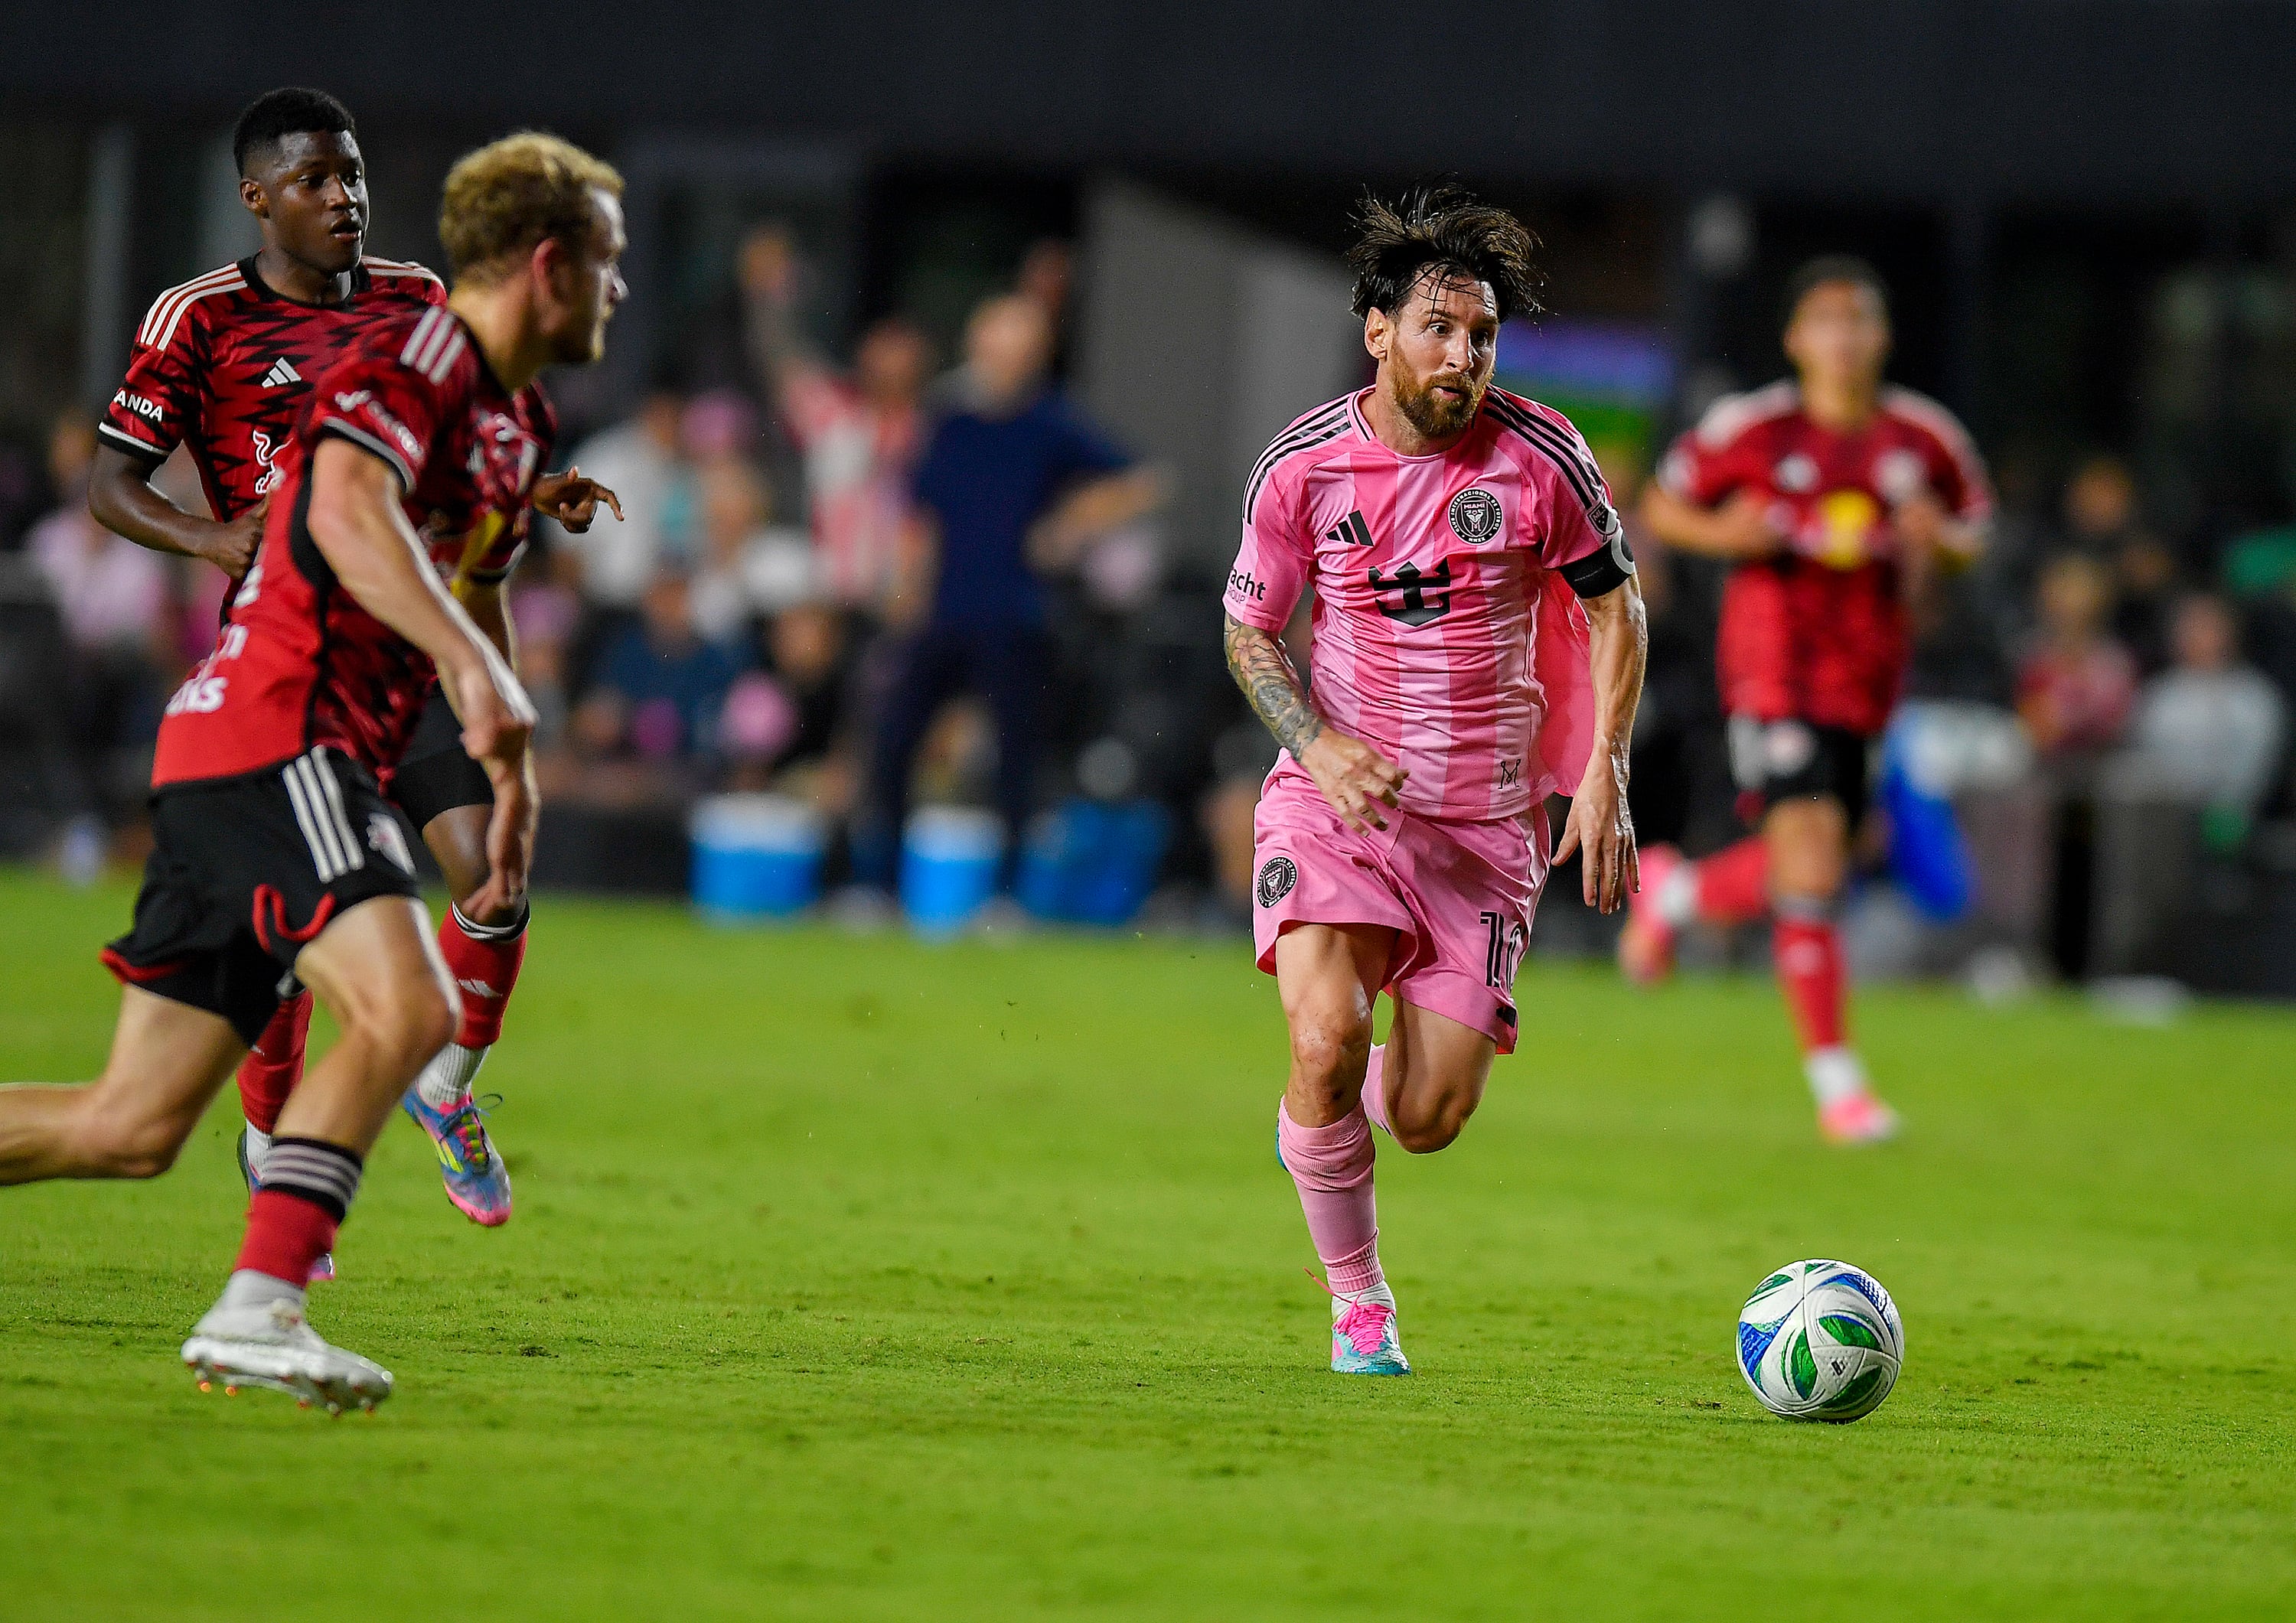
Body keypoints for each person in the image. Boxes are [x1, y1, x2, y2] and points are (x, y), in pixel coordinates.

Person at [0, 130, 627, 1410]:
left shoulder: (511, 412)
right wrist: (473, 670)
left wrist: (501, 749)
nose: (622, 293)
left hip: (259, 747)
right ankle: (260, 1307)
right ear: (552, 265)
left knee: (128, 1127)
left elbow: (475, 579)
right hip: (283, 729)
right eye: (610, 266)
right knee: (406, 1011)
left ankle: (262, 1296)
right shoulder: (411, 352)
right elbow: (342, 509)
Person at [1223, 187, 1645, 1376]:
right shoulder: (1302, 468)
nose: (1462, 356)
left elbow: (1620, 612)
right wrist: (1312, 741)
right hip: (1339, 802)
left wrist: (1604, 769)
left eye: (1482, 335)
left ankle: (1323, 1124)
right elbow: (1250, 633)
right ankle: (1361, 1303)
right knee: (1326, 1038)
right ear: (1378, 331)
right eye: (1438, 330)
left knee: (1425, 1120)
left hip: (1486, 829)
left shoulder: (1541, 455)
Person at [1623, 257, 1991, 1145]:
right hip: (1773, 668)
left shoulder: (1921, 438)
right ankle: (1840, 1088)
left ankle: (1674, 894)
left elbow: (1973, 531)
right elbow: (1662, 506)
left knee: (1821, 859)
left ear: (1882, 337)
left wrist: (1937, 541)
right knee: (1816, 863)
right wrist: (1727, 533)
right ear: (1797, 339)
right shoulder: (1756, 427)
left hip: (1868, 679)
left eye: (1859, 320)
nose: (1844, 337)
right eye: (1826, 321)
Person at [850, 292, 1161, 911]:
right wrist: (905, 591)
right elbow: (923, 517)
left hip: (1015, 616)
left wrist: (1070, 526)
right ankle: (878, 888)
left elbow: (1142, 480)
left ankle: (1007, 896)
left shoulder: (1051, 423)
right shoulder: (950, 422)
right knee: (892, 743)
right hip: (943, 611)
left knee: (1014, 761)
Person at [740, 227, 932, 611]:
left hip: (903, 599)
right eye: (882, 344)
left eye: (901, 347)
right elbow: (780, 361)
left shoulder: (935, 426)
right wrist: (767, 297)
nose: (890, 358)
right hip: (830, 592)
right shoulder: (834, 412)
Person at [2124, 593, 2284, 817]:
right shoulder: (2157, 695)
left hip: (2237, 815)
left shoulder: (2255, 697)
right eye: (2191, 628)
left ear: (2230, 633)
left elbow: (2255, 767)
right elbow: (2145, 758)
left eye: (2209, 628)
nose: (2200, 637)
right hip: (2166, 814)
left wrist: (2230, 804)